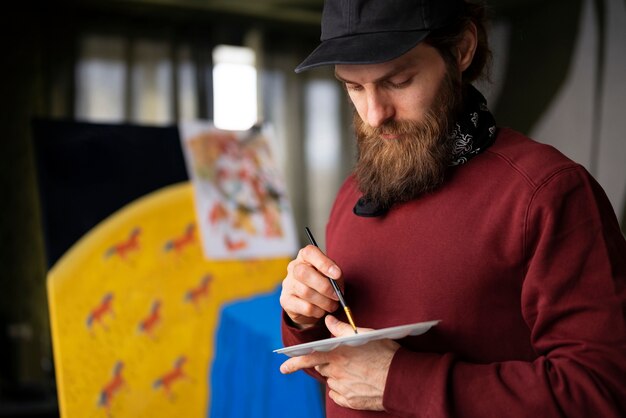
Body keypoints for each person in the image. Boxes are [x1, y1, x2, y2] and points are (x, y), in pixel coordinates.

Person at [278, 0, 626, 417]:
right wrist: (305, 317)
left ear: (461, 49)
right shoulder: (352, 192)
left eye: (399, 80)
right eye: (353, 87)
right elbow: (352, 377)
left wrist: (400, 381)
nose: (374, 114)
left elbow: (599, 390)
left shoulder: (548, 192)